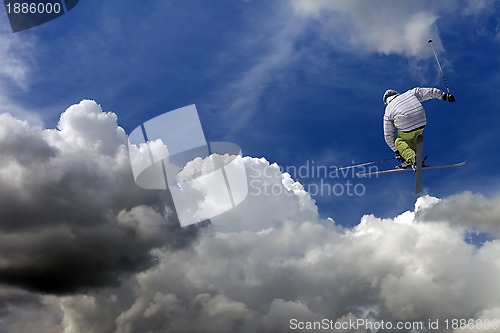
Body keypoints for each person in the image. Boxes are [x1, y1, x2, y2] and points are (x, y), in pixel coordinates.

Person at [383, 87, 455, 169]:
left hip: (406, 124)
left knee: (399, 142)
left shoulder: (388, 110)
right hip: (421, 121)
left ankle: (413, 159)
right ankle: (412, 158)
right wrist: (444, 96)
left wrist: (397, 151)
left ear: (386, 102)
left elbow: (388, 135)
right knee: (412, 140)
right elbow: (429, 92)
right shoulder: (409, 93)